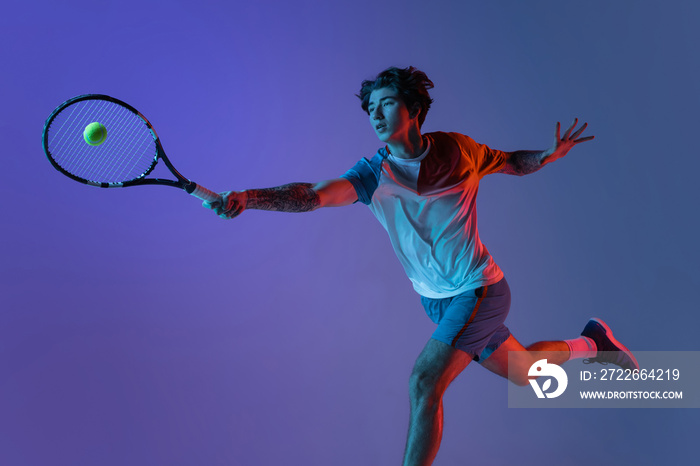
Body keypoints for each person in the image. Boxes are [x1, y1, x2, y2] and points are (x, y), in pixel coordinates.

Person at [204, 66, 638, 466]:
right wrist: (251, 197)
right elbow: (313, 194)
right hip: (436, 301)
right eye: (370, 108)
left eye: (386, 103)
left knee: (423, 383)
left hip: (478, 289)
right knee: (526, 374)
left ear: (413, 110)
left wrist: (544, 156)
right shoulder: (373, 173)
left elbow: (508, 161)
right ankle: (592, 343)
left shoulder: (459, 151)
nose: (376, 114)